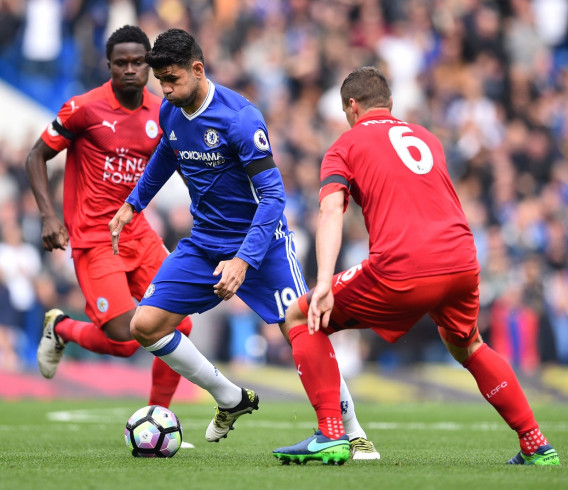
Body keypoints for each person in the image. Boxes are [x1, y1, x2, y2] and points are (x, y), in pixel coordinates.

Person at [109, 29, 378, 458]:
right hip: (203, 244)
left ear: (198, 69)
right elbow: (167, 152)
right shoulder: (171, 111)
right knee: (145, 325)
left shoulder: (239, 117)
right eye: (161, 81)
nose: (166, 89)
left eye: (173, 79)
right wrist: (133, 203)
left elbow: (274, 196)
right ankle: (230, 397)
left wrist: (243, 260)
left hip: (262, 246)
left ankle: (353, 430)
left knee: (302, 330)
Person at [272, 67, 560, 466]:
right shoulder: (426, 137)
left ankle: (331, 435)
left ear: (351, 108)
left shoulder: (345, 144)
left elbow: (331, 209)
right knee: (468, 343)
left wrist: (323, 280)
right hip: (461, 259)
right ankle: (536, 445)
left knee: (301, 316)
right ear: (390, 104)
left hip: (404, 265)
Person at [25, 26, 195, 420]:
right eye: (122, 63)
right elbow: (35, 156)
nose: (131, 69)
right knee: (123, 340)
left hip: (138, 232)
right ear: (109, 66)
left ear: (150, 65)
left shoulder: (162, 111)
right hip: (95, 238)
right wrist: (49, 215)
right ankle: (62, 327)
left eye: (138, 62)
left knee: (179, 325)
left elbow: (183, 165)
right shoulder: (83, 108)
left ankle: (158, 419)